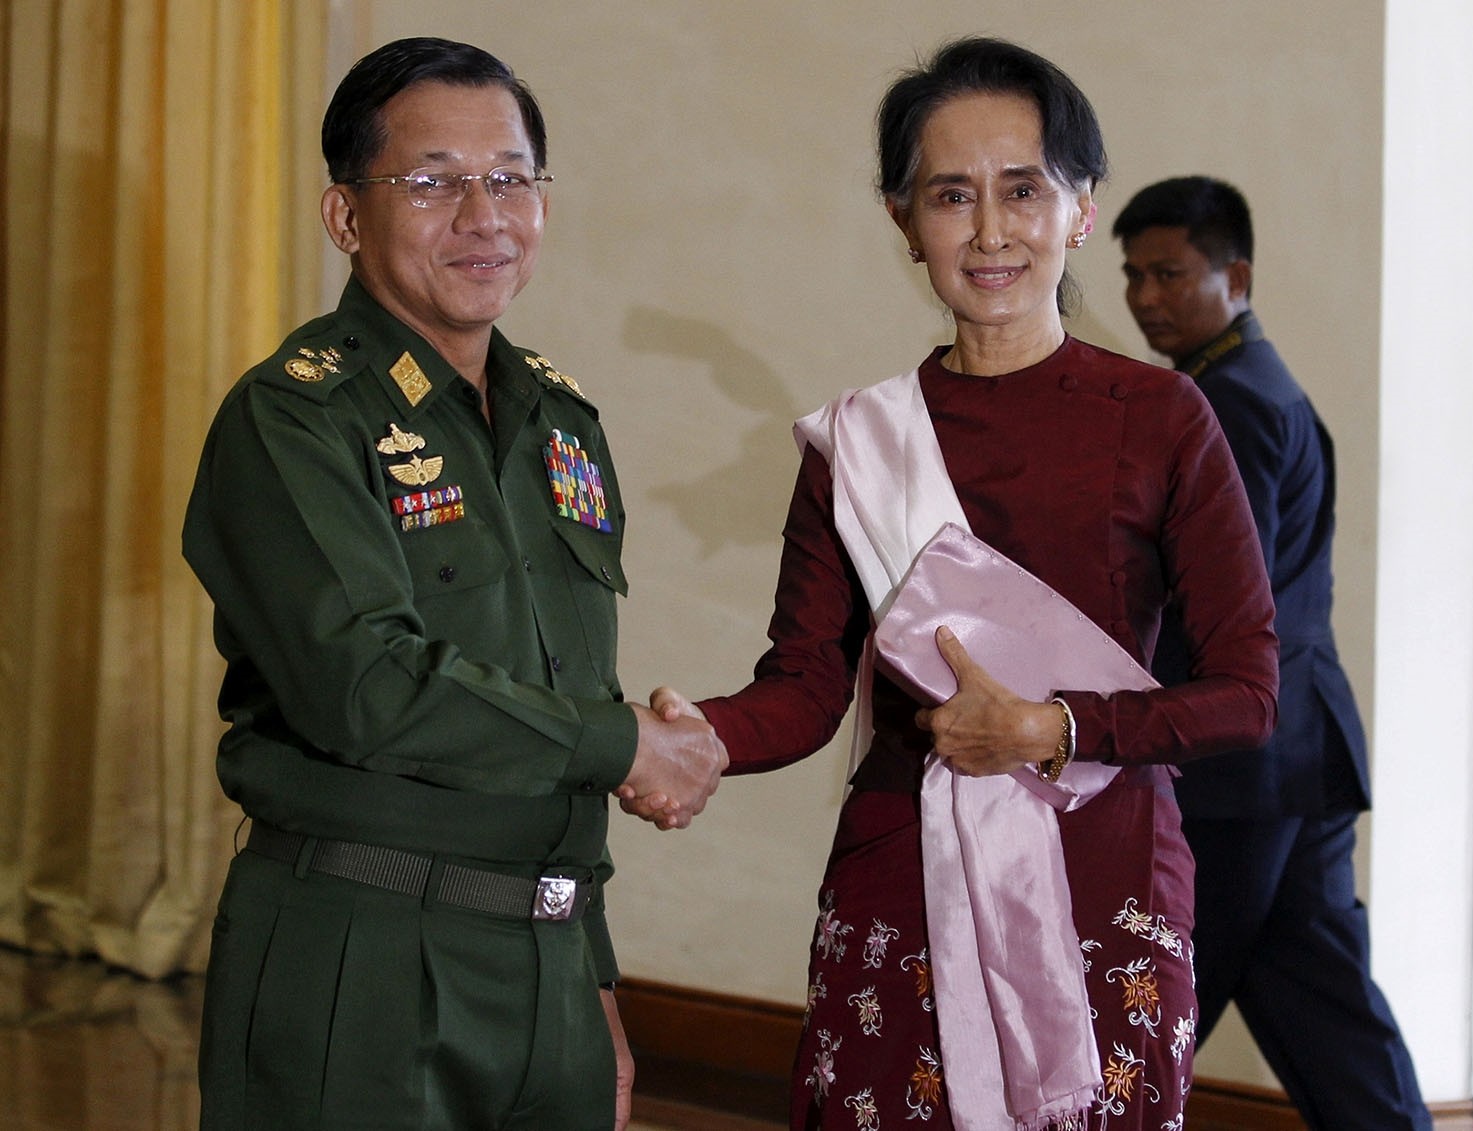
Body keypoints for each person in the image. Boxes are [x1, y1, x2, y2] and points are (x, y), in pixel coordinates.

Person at [629, 39, 1278, 1130]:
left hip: (1101, 872)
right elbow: (802, 684)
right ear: (902, 220)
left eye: (1023, 190)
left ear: (1078, 209)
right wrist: (700, 737)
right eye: (950, 195)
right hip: (901, 873)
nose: (989, 231)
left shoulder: (1163, 420)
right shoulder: (858, 443)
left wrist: (1052, 729)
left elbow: (1247, 694)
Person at [181, 37, 726, 1131]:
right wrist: (627, 743)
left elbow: (562, 693)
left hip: (551, 965)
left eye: (512, 177)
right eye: (431, 182)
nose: (485, 216)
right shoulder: (293, 417)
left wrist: (599, 981)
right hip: (362, 950)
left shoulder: (560, 422)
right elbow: (364, 685)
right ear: (346, 217)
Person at [1114, 175, 1431, 1130]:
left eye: (1170, 273)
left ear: (1235, 276)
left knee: (1152, 990)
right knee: (1323, 1002)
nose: (1145, 297)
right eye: (1132, 275)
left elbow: (1215, 593)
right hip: (1301, 750)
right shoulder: (1247, 383)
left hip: (1245, 761)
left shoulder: (1232, 400)